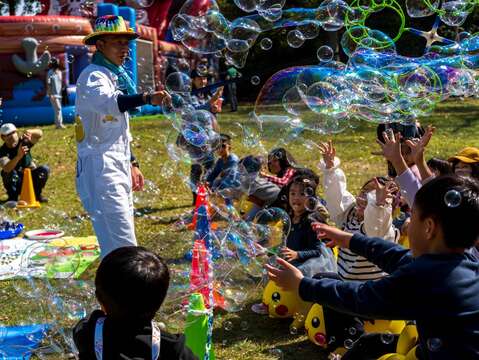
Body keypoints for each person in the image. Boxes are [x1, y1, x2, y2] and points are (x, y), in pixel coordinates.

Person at [266, 175, 479, 359]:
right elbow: (396, 256)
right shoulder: (463, 260)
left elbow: (361, 297)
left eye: (412, 217)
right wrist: (351, 240)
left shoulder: (426, 277)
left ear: (429, 228)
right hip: (443, 348)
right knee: (370, 344)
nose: (407, 223)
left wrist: (302, 284)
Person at [76, 15, 170, 257]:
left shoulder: (113, 76)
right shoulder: (93, 75)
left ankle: (117, 289)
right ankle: (127, 289)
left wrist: (132, 162)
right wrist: (147, 98)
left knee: (118, 241)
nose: (124, 49)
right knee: (123, 242)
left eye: (126, 43)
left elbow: (118, 130)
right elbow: (110, 104)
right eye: (118, 42)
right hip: (100, 166)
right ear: (100, 44)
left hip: (115, 162)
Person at [73, 246, 198, 360]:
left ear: (99, 298)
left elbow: (89, 321)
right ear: (160, 302)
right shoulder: (171, 347)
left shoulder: (87, 333)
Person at [319, 140, 400, 281]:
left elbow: (376, 227)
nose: (364, 199)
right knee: (319, 280)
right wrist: (331, 169)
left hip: (371, 290)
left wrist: (379, 205)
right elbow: (336, 196)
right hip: (345, 283)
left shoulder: (384, 230)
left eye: (372, 197)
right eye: (364, 192)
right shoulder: (349, 215)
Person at [281, 175, 337, 277]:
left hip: (309, 265)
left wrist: (297, 254)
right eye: (292, 193)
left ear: (311, 199)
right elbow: (284, 243)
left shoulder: (310, 221)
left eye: (302, 194)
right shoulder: (289, 218)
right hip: (294, 260)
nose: (296, 198)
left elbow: (317, 250)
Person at [0, 123, 49, 203]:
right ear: (2, 137)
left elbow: (39, 134)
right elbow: (7, 168)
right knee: (6, 173)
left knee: (44, 169)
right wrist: (19, 156)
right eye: (8, 134)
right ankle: (13, 198)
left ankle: (37, 195)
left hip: (30, 178)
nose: (12, 136)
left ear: (17, 132)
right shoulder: (2, 151)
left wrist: (30, 131)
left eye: (13, 132)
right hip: (16, 181)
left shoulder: (24, 141)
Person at [239, 155, 280, 221]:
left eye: (240, 168)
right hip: (268, 199)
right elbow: (258, 201)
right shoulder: (253, 179)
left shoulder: (251, 182)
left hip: (277, 202)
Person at [46, 58, 65, 129]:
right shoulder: (50, 72)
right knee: (58, 109)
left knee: (58, 109)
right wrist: (50, 94)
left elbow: (61, 83)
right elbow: (48, 83)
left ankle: (58, 124)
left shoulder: (59, 72)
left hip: (59, 94)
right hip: (53, 94)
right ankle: (59, 124)